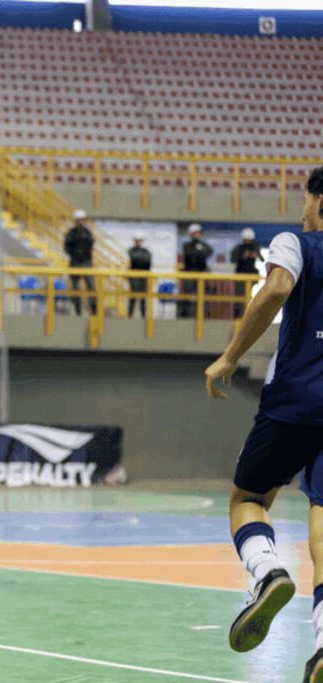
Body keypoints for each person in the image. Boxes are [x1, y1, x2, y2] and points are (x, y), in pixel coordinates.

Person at [204, 165, 323, 683]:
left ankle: (267, 571)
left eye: (305, 199)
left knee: (246, 498)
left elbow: (275, 289)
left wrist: (229, 355)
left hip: (296, 400)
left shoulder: (297, 243)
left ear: (318, 201)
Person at [63, 209, 96, 315]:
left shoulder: (87, 233)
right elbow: (66, 247)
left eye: (83, 219)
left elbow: (91, 245)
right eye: (79, 220)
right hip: (75, 263)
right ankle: (78, 310)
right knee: (76, 288)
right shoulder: (71, 233)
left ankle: (94, 310)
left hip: (87, 263)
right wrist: (75, 256)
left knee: (91, 287)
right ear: (76, 220)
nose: (81, 221)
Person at [180, 223, 213, 319]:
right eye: (195, 233)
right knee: (186, 296)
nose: (197, 235)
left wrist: (200, 251)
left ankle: (204, 316)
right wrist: (199, 251)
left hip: (201, 275)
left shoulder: (204, 245)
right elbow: (192, 255)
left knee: (204, 296)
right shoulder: (187, 245)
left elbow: (208, 252)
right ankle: (184, 316)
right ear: (191, 234)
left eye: (199, 233)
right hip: (190, 274)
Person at [231, 227, 262, 319]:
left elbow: (262, 258)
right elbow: (233, 259)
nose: (248, 242)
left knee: (253, 297)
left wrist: (255, 255)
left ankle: (252, 316)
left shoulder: (255, 247)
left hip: (252, 276)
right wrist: (242, 256)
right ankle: (238, 316)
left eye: (250, 240)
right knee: (240, 297)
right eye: (246, 240)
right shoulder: (238, 248)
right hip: (241, 276)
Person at [127, 231, 152, 319]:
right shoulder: (131, 250)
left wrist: (139, 260)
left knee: (143, 297)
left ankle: (143, 316)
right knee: (133, 296)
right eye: (136, 240)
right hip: (134, 276)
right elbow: (134, 259)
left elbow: (148, 261)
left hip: (143, 276)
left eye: (139, 240)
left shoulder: (146, 251)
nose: (138, 241)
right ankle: (129, 316)